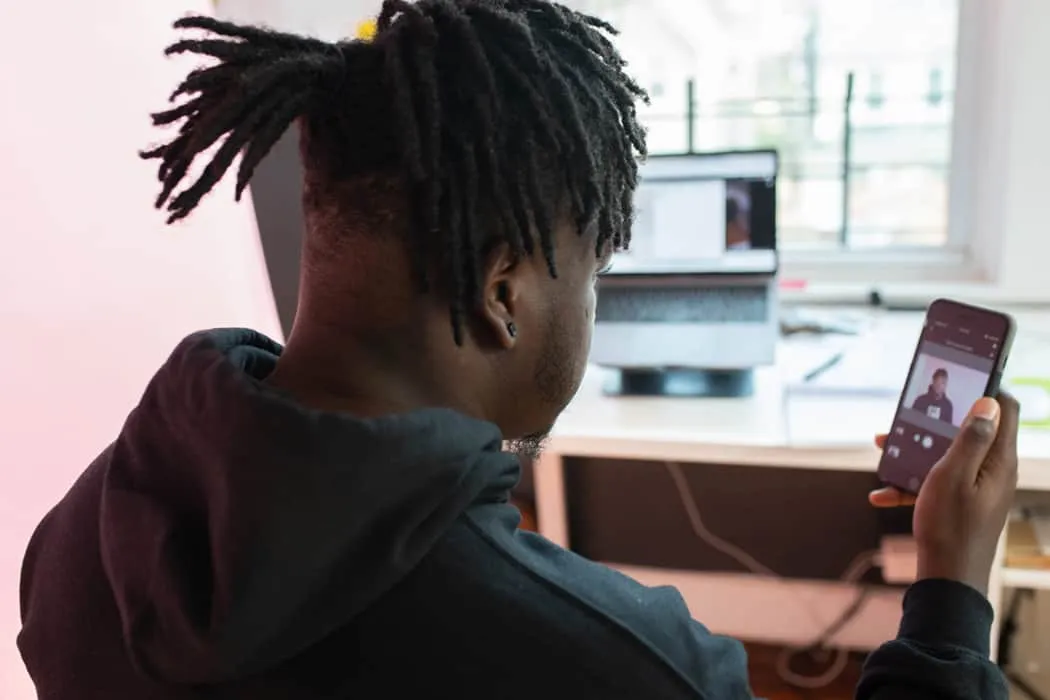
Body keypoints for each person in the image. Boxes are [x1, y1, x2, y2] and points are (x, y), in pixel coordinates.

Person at [17, 2, 1019, 699]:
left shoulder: (80, 535)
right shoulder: (626, 669)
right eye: (593, 273)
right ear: (503, 292)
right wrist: (950, 591)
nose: (595, 304)